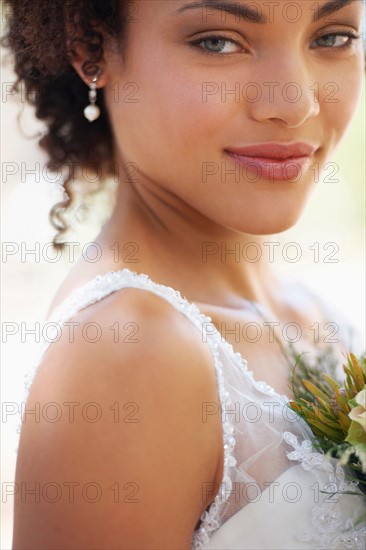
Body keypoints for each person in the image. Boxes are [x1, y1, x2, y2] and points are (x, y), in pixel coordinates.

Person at [5, 0, 365, 548]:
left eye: (333, 37)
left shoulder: (314, 309)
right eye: (218, 42)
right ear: (90, 48)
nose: (296, 103)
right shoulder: (128, 353)